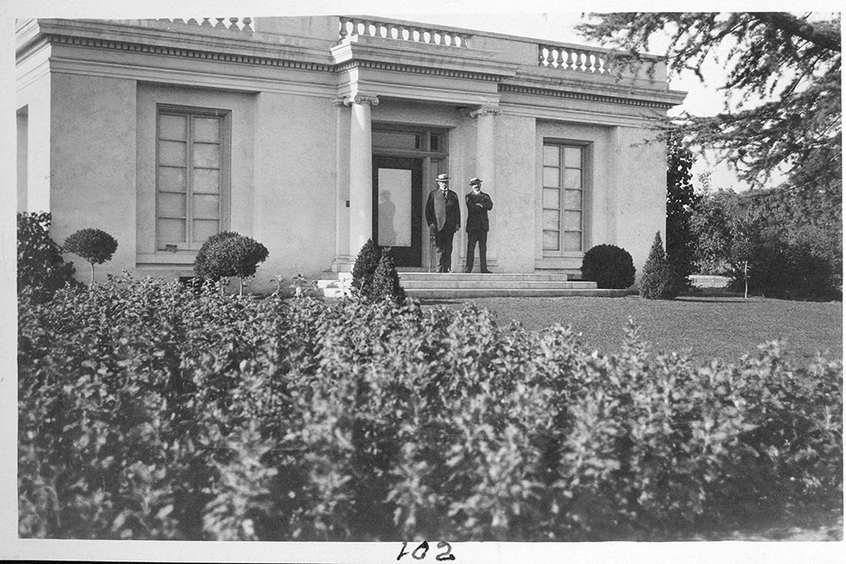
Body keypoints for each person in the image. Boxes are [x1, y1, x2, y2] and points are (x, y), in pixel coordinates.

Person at [425, 173, 461, 273]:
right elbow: (428, 210)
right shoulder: (433, 194)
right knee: (439, 248)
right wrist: (431, 222)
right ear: (438, 183)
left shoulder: (453, 195)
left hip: (450, 225)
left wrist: (457, 223)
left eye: (445, 182)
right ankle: (439, 268)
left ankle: (447, 267)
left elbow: (457, 210)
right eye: (442, 182)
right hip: (438, 225)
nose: (444, 184)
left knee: (448, 247)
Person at [464, 177, 493, 273]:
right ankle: (468, 268)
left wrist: (481, 205)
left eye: (478, 184)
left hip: (483, 226)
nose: (477, 186)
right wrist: (482, 205)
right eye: (474, 184)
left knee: (483, 248)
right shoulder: (469, 196)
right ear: (471, 186)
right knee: (471, 248)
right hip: (472, 226)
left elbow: (490, 206)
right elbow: (471, 208)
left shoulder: (485, 196)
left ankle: (484, 269)